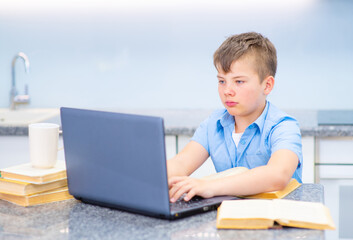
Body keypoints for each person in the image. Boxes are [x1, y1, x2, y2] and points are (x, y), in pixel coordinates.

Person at [167, 32, 302, 203]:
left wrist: (208, 186)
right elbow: (180, 164)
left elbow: (278, 175)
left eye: (239, 82)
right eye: (222, 81)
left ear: (267, 85)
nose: (227, 91)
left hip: (277, 221)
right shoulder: (214, 124)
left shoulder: (283, 126)